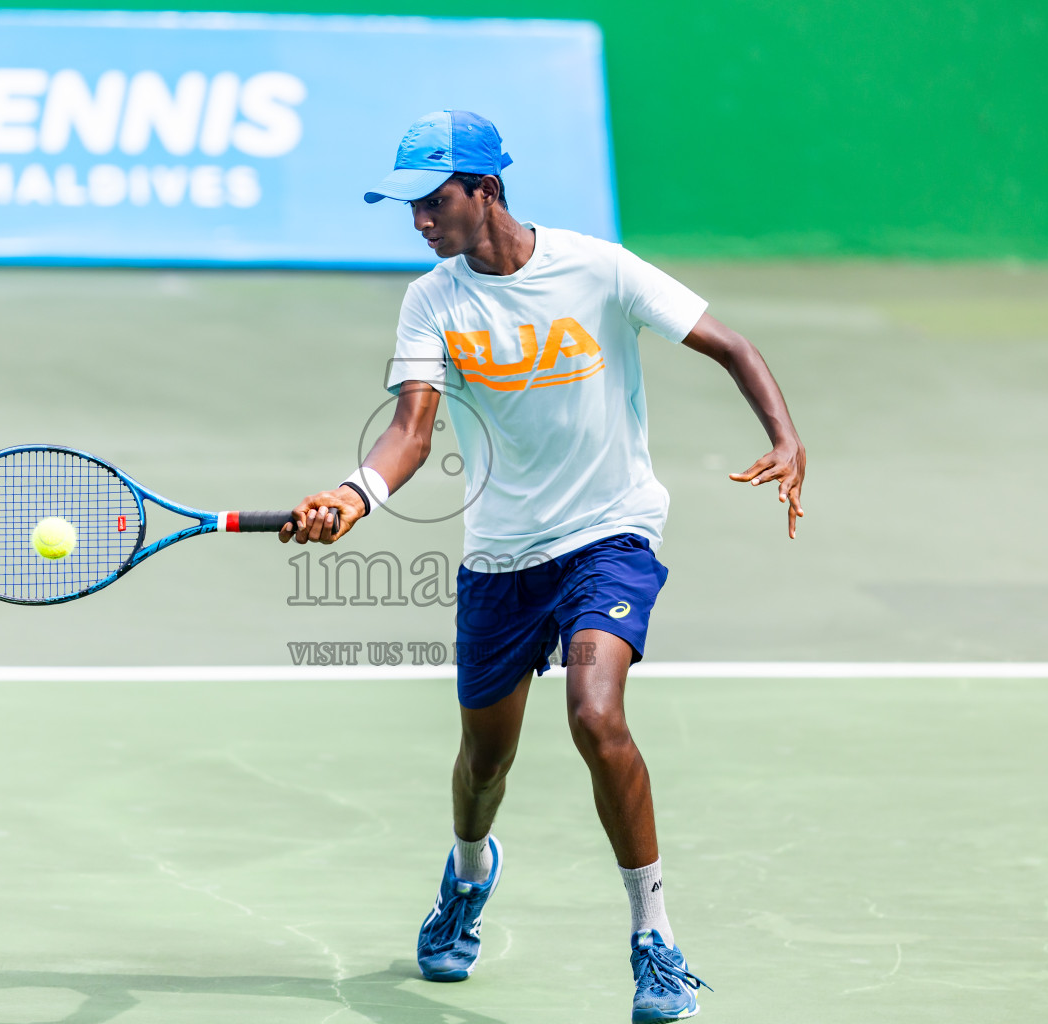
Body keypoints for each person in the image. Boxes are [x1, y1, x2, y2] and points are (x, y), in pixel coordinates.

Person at [281, 109, 805, 1022]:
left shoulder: (599, 269)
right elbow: (412, 431)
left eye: (432, 201)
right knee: (485, 765)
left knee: (597, 715)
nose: (418, 221)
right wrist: (355, 493)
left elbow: (730, 344)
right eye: (408, 205)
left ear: (485, 191)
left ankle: (656, 943)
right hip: (500, 557)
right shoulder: (432, 299)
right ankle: (469, 872)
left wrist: (786, 437)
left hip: (609, 535)